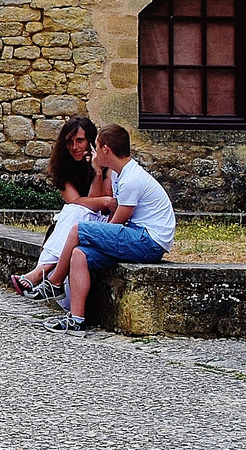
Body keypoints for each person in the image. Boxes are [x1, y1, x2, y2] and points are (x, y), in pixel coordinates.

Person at [43, 124, 176, 335]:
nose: (93, 151)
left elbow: (117, 222)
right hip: (135, 236)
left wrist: (94, 234)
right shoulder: (120, 174)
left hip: (148, 241)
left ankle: (55, 281)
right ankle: (76, 320)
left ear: (106, 149)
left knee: (79, 229)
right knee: (79, 254)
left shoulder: (132, 179)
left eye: (96, 146)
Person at [7, 117, 112, 300]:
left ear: (90, 141)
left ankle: (41, 272)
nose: (75, 147)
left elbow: (102, 208)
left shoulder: (107, 167)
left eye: (79, 141)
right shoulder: (62, 169)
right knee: (75, 211)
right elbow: (82, 202)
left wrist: (96, 172)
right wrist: (101, 200)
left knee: (76, 212)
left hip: (102, 224)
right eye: (70, 142)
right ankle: (44, 275)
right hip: (75, 221)